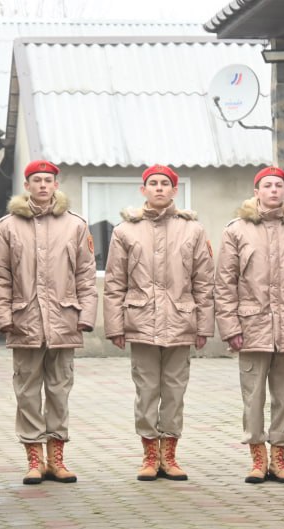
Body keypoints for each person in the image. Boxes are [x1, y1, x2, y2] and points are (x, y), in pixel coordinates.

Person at [103, 164, 214, 481]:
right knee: (147, 391)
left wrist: (204, 326)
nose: (159, 188)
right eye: (153, 183)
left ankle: (170, 455)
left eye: (165, 183)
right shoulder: (126, 230)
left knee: (175, 391)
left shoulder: (192, 230)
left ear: (174, 191)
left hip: (180, 320)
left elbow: (203, 283)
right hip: (141, 321)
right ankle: (150, 455)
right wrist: (115, 326)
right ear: (143, 190)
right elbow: (114, 283)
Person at [0, 160, 97, 484]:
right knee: (27, 393)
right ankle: (34, 459)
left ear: (56, 184)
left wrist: (86, 316)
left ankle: (57, 459)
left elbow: (86, 275)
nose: (42, 185)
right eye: (36, 180)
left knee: (59, 392)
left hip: (64, 319)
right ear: (27, 185)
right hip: (25, 320)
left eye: (47, 180)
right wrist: (4, 318)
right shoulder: (7, 226)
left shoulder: (75, 225)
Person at [214, 165, 284, 484]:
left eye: (279, 186)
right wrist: (230, 327)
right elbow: (225, 282)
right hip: (251, 327)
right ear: (256, 191)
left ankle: (280, 457)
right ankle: (257, 457)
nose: (273, 190)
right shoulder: (237, 230)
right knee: (253, 397)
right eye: (267, 186)